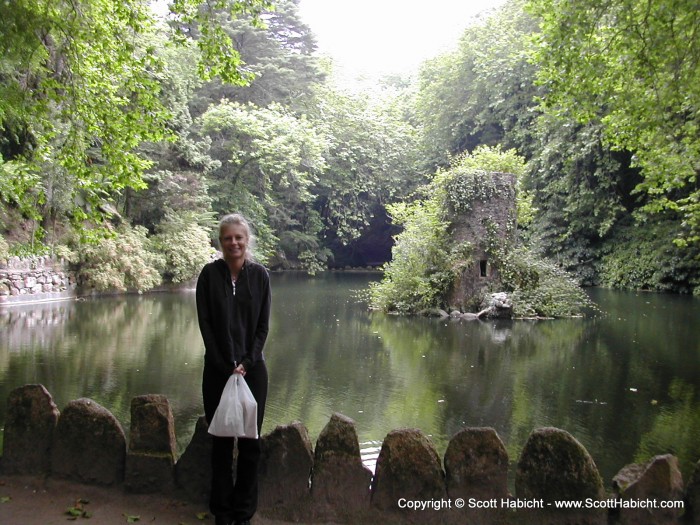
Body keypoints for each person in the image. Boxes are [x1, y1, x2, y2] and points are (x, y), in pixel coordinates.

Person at [196, 213, 271, 525]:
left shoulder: (260, 276)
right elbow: (206, 325)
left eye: (239, 237)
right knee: (222, 444)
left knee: (251, 444)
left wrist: (247, 362)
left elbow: (263, 327)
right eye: (228, 238)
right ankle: (222, 512)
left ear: (247, 240)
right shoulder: (209, 276)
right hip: (218, 371)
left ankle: (244, 511)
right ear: (220, 242)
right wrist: (225, 364)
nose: (234, 243)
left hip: (252, 371)